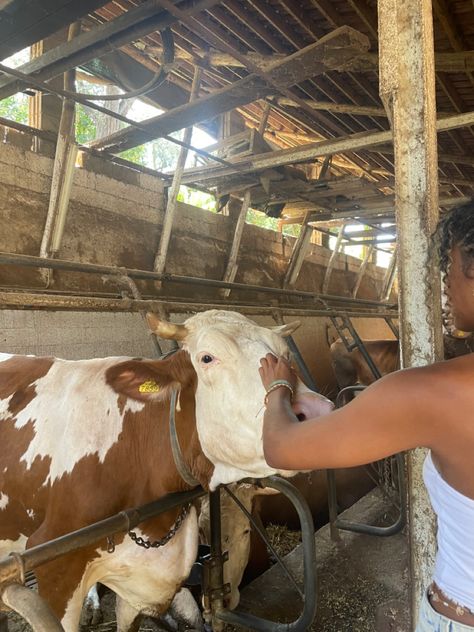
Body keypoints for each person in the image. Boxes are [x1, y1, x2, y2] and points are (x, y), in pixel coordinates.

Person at [259, 201, 474, 631]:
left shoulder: (433, 391)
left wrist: (277, 390)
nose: (444, 284)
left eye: (447, 265)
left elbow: (281, 447)